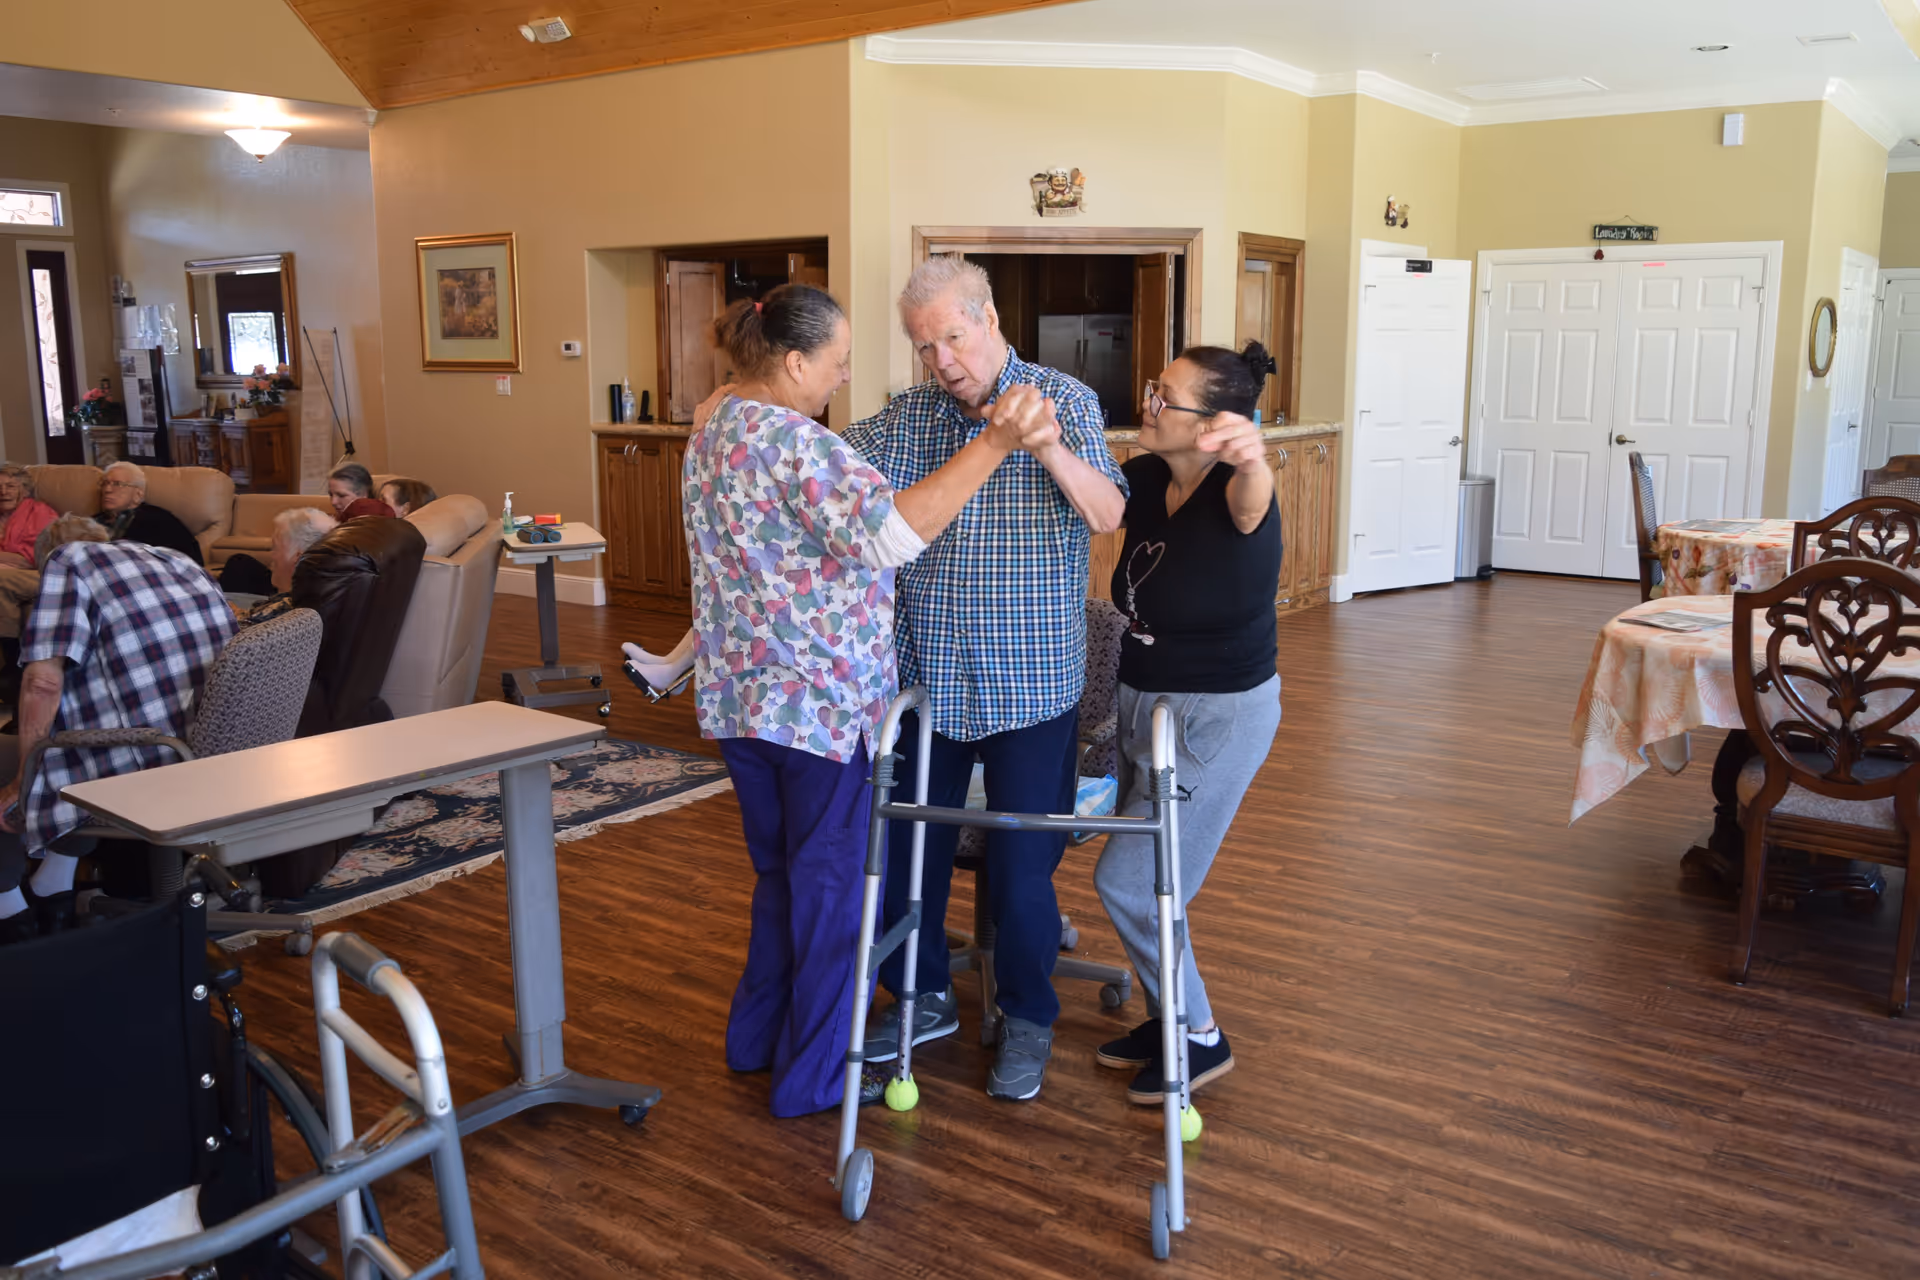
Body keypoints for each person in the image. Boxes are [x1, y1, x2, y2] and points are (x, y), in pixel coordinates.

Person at [686, 283, 1033, 1118]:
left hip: (741, 704)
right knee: (835, 898)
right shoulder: (800, 445)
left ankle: (755, 1041)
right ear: (795, 360)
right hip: (818, 712)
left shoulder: (712, 432)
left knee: (780, 882)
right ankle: (814, 1083)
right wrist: (993, 444)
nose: (843, 379)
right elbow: (891, 535)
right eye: (837, 364)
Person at [843, 256, 1127, 1102]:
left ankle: (1030, 1015)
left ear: (990, 319)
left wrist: (1047, 452)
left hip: (1032, 685)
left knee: (1019, 870)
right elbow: (833, 468)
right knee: (911, 855)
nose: (942, 362)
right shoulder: (913, 416)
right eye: (925, 348)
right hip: (930, 679)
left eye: (952, 340)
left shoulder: (1064, 401)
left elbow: (1108, 513)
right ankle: (924, 996)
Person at [1092, 344, 1283, 1106]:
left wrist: (1253, 458)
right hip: (1144, 703)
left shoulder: (1243, 489)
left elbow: (1253, 496)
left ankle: (1198, 1035)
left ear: (1215, 426)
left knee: (1137, 884)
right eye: (1152, 388)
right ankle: (1164, 1015)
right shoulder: (1143, 479)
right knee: (1155, 876)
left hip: (1216, 717)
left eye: (1164, 396)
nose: (1148, 404)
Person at [0, 514, 236, 943]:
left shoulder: (66, 564)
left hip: (144, 761)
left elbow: (42, 682)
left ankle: (11, 917)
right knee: (60, 741)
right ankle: (53, 888)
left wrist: (23, 779)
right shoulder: (176, 561)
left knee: (20, 756)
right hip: (209, 754)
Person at [0, 464, 61, 686]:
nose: (3, 491)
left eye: (11, 486)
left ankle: (11, 661)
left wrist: (11, 561)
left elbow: (37, 555)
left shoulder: (39, 512)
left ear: (24, 490)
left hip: (40, 574)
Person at [235, 508, 338, 626]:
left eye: (276, 547)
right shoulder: (327, 598)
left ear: (299, 559)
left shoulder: (282, 614)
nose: (272, 555)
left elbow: (230, 638)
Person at [94, 461, 204, 565]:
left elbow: (189, 562)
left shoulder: (160, 520)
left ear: (138, 494)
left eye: (117, 484)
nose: (107, 489)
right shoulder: (90, 523)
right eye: (104, 483)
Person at [327, 464, 394, 519]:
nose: (333, 502)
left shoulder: (376, 522)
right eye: (331, 495)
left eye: (341, 495)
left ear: (364, 494)